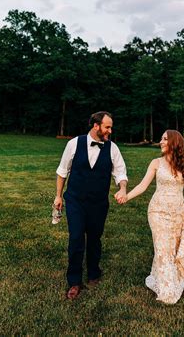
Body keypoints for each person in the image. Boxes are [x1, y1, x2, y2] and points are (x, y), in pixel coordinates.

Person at [118, 130, 184, 304]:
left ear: (174, 142)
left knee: (172, 249)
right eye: (161, 138)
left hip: (178, 212)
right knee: (162, 247)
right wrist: (127, 196)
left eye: (165, 139)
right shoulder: (156, 163)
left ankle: (163, 278)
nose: (161, 142)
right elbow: (143, 185)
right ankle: (167, 291)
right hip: (157, 211)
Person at [54, 111, 128, 299]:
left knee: (95, 239)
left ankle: (94, 273)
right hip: (75, 201)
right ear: (96, 126)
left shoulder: (112, 148)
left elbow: (120, 173)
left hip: (98, 203)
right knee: (76, 238)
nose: (110, 131)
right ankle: (74, 281)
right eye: (107, 127)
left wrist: (123, 188)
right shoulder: (73, 144)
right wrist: (58, 196)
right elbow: (62, 171)